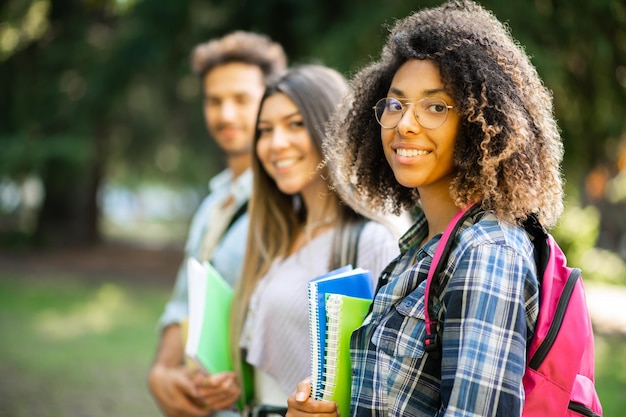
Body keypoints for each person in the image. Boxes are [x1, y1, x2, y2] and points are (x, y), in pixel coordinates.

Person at [287, 1, 564, 416]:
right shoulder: (420, 247)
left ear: (478, 120)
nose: (405, 124)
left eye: (435, 107)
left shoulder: (487, 251)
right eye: (395, 104)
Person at [229, 64, 408, 416]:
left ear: (333, 130)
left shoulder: (374, 241)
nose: (276, 144)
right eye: (265, 130)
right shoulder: (277, 235)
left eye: (295, 124)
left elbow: (387, 386)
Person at [148, 31, 286, 417]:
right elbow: (182, 303)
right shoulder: (212, 202)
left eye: (241, 99)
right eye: (214, 101)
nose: (225, 114)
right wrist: (161, 371)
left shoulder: (292, 203)